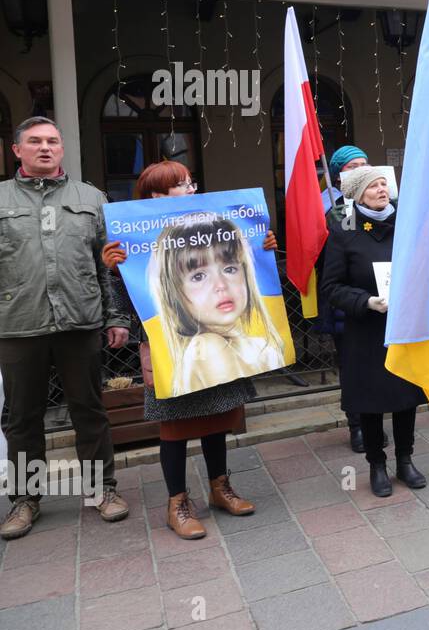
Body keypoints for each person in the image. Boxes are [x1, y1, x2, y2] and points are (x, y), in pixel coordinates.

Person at [100, 161, 268, 539]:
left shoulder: (210, 224)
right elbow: (132, 303)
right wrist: (115, 270)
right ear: (157, 196)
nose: (191, 189)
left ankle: (219, 487)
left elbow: (247, 266)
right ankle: (177, 502)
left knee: (217, 421)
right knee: (174, 430)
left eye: (191, 183)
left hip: (222, 349)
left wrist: (262, 246)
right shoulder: (135, 241)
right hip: (170, 350)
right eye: (181, 185)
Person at [0, 117, 131, 540]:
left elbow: (107, 266)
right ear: (16, 150)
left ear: (61, 149)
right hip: (19, 326)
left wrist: (115, 318)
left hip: (80, 322)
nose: (45, 148)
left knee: (89, 411)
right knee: (22, 418)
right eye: (34, 142)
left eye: (52, 141)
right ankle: (25, 499)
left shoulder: (90, 198)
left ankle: (101, 489)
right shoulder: (0, 199)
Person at [321, 166, 426, 496]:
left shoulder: (405, 225)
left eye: (384, 184)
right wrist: (366, 301)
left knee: (404, 395)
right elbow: (332, 286)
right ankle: (377, 465)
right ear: (355, 194)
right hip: (365, 328)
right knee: (370, 400)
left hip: (402, 326)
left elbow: (424, 267)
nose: (382, 190)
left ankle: (405, 460)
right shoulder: (344, 229)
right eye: (373, 186)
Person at [149, 212, 287, 394]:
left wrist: (262, 248)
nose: (220, 285)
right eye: (198, 276)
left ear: (246, 274)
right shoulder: (206, 346)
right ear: (175, 294)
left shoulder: (258, 344)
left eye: (230, 269)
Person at [318, 145, 381, 454]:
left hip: (378, 299)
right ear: (340, 173)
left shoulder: (384, 205)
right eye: (352, 165)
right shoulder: (332, 208)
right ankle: (357, 425)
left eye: (365, 163)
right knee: (352, 365)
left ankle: (378, 420)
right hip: (347, 301)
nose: (360, 168)